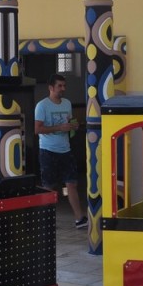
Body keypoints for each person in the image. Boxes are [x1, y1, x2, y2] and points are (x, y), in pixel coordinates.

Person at [34, 73, 87, 228]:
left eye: (64, 86)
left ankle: (79, 218)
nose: (63, 89)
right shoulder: (42, 106)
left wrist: (74, 125)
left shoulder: (67, 103)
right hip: (48, 151)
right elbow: (37, 129)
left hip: (66, 150)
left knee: (71, 184)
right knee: (49, 187)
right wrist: (59, 127)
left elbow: (69, 121)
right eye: (60, 86)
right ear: (51, 88)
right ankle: (45, 220)